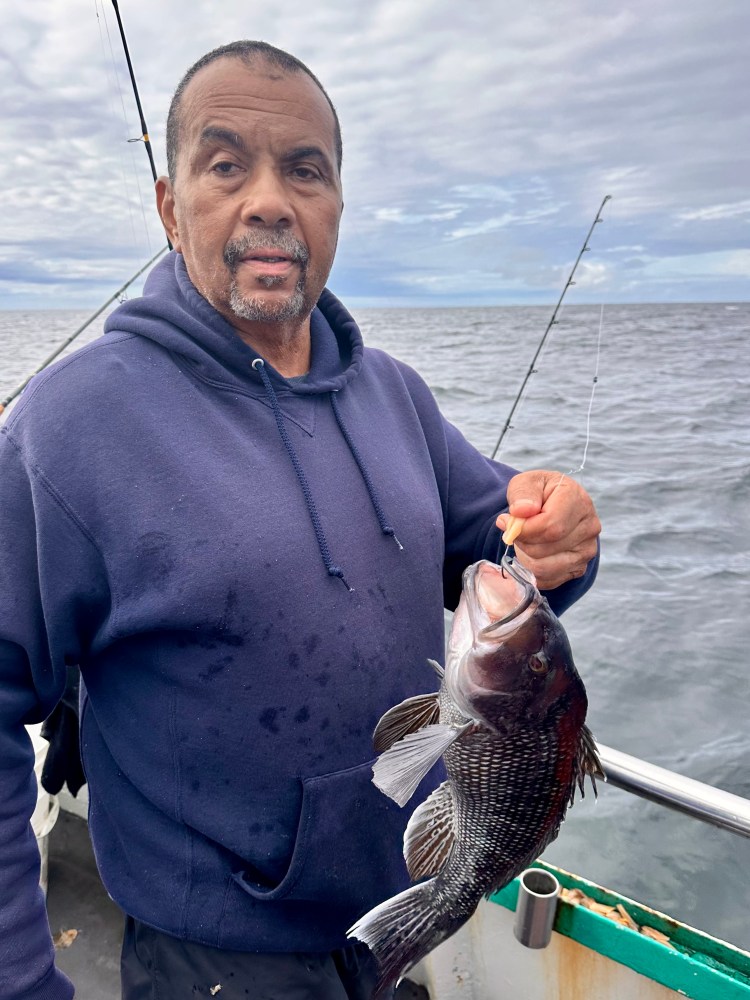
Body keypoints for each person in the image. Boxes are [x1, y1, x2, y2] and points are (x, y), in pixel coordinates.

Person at [0, 41, 600, 1000]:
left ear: (336, 208)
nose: (271, 199)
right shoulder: (70, 425)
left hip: (389, 925)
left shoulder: (394, 394)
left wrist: (562, 534)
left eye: (305, 169)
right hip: (214, 959)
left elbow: (510, 546)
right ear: (170, 205)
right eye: (227, 163)